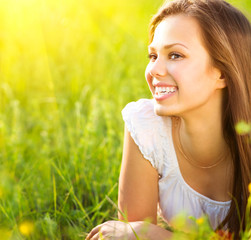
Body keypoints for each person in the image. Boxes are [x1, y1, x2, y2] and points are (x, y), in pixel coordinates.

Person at [86, 0, 251, 239]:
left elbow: (141, 234)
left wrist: (160, 236)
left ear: (222, 72)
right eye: (153, 56)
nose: (153, 70)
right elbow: (129, 234)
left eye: (175, 55)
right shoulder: (147, 127)